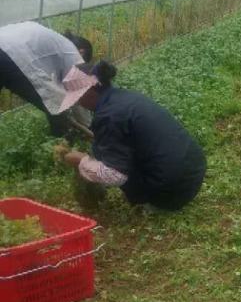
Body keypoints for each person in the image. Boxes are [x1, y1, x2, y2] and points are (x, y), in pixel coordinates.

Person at [55, 60, 206, 212]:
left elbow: (115, 175)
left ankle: (156, 203)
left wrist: (80, 160)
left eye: (78, 97)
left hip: (173, 189)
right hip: (194, 170)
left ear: (91, 90)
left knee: (109, 164)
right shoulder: (123, 97)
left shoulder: (108, 116)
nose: (79, 103)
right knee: (104, 151)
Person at [0, 21, 93, 135]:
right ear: (81, 52)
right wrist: (88, 125)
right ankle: (63, 144)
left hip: (7, 49)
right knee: (57, 106)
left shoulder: (54, 41)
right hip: (9, 55)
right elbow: (78, 93)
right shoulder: (71, 51)